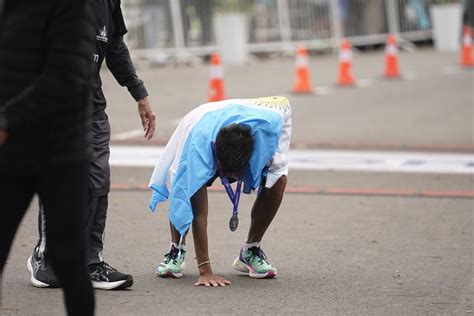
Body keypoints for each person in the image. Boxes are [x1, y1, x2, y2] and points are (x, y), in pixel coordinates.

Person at [27, 0, 157, 291]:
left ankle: (91, 261)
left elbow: (115, 48)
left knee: (98, 182)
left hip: (92, 110)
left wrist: (140, 94)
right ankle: (46, 257)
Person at [0, 0, 95, 314]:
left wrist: (6, 120)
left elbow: (67, 76)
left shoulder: (74, 7)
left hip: (61, 152)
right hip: (11, 149)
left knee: (68, 260)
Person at [149, 96, 291, 287]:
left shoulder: (270, 129)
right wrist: (205, 270)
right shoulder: (198, 146)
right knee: (183, 185)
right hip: (201, 120)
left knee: (278, 179)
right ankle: (177, 248)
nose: (229, 177)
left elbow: (276, 171)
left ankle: (251, 250)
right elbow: (197, 212)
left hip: (259, 112)